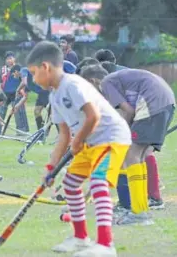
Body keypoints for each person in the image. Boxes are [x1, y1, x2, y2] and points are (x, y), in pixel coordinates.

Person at [27, 41, 131, 257]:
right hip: (90, 141)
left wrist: (77, 142)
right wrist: (50, 167)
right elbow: (63, 136)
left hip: (111, 138)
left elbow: (94, 116)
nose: (34, 80)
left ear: (45, 67)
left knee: (98, 182)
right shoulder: (55, 96)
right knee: (71, 183)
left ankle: (105, 244)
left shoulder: (72, 84)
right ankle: (80, 238)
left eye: (34, 73)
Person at [81, 65, 175, 224]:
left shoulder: (106, 83)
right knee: (139, 156)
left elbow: (128, 112)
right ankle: (141, 209)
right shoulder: (118, 81)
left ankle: (139, 213)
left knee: (131, 154)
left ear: (93, 81)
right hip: (166, 102)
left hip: (153, 103)